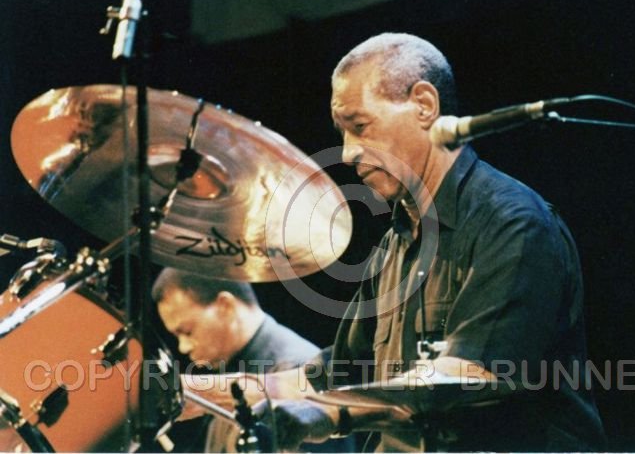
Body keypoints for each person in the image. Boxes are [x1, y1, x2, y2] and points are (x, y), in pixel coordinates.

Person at [182, 33, 607, 452]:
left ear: (424, 104)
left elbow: (465, 374)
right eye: (342, 132)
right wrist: (196, 393)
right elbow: (335, 376)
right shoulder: (394, 246)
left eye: (360, 126)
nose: (347, 152)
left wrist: (328, 413)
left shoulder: (514, 222)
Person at [153, 267, 352, 452]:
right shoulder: (232, 365)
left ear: (225, 306)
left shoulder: (298, 366)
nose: (183, 347)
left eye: (187, 331)